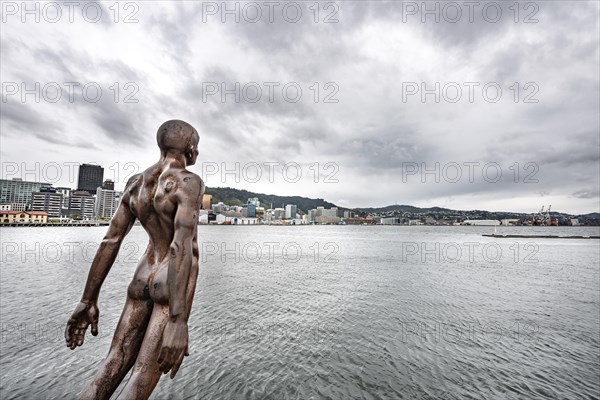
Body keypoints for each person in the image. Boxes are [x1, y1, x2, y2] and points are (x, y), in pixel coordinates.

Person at [65, 120, 204, 399]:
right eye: (196, 147)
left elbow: (111, 240)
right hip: (170, 281)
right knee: (141, 377)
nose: (197, 153)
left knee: (111, 365)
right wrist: (178, 321)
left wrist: (88, 299)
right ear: (190, 147)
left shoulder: (135, 184)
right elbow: (180, 248)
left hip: (142, 276)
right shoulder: (188, 183)